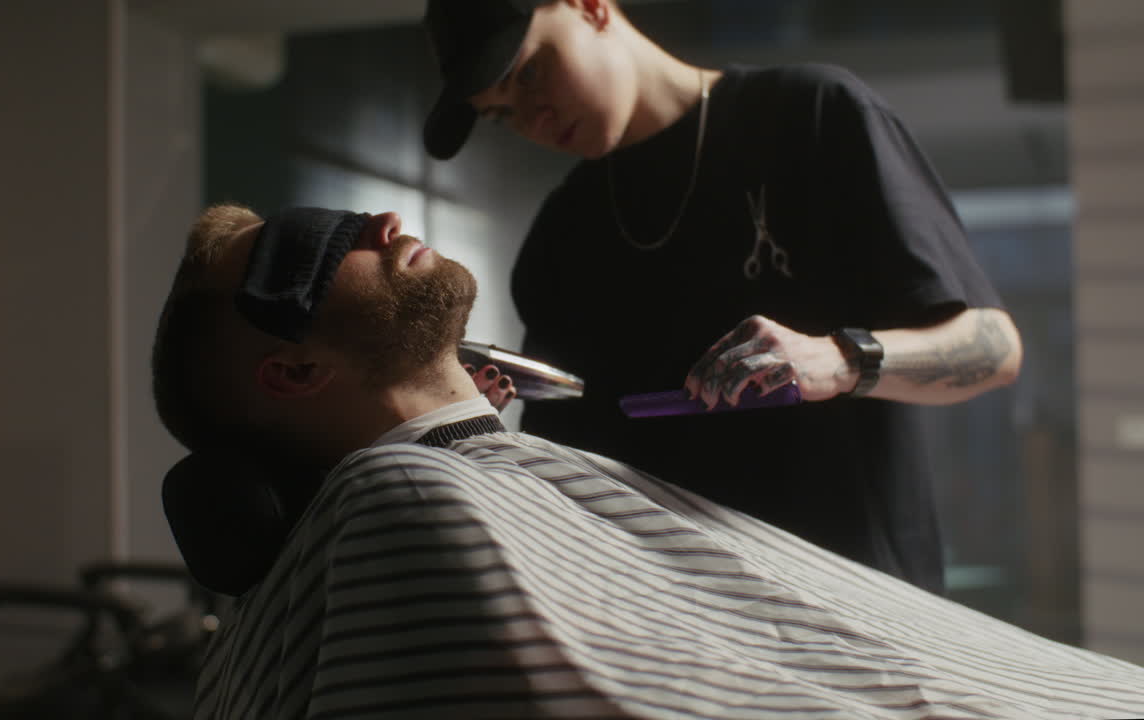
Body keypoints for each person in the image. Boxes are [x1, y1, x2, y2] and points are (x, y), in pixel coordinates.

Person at [150, 203, 1144, 720]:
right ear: (291, 369)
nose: (372, 224)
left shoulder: (461, 484)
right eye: (305, 261)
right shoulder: (398, 501)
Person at [421, 0, 1024, 594]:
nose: (535, 119)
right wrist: (481, 423)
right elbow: (569, 476)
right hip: (680, 643)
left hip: (859, 620)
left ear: (590, 7)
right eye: (503, 115)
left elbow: (993, 350)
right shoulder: (561, 235)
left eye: (529, 72)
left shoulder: (812, 115)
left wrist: (840, 361)